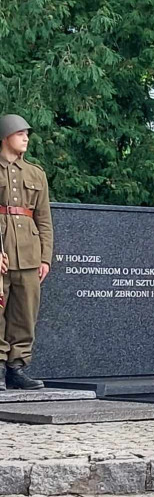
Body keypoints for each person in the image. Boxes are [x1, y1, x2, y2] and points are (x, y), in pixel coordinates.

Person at [0, 115, 52, 391]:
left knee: (25, 314)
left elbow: (43, 219)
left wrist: (45, 257)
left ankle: (16, 369)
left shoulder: (35, 174)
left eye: (26, 133)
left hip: (29, 255)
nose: (26, 138)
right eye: (19, 133)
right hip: (2, 251)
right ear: (5, 136)